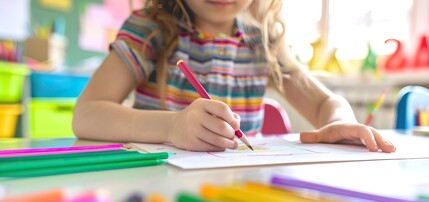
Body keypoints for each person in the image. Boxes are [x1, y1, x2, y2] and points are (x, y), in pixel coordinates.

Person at [73, 0, 396, 153]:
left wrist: (338, 121)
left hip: (237, 192)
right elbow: (86, 114)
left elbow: (326, 101)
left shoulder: (262, 41)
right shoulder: (150, 29)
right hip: (153, 188)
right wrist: (171, 127)